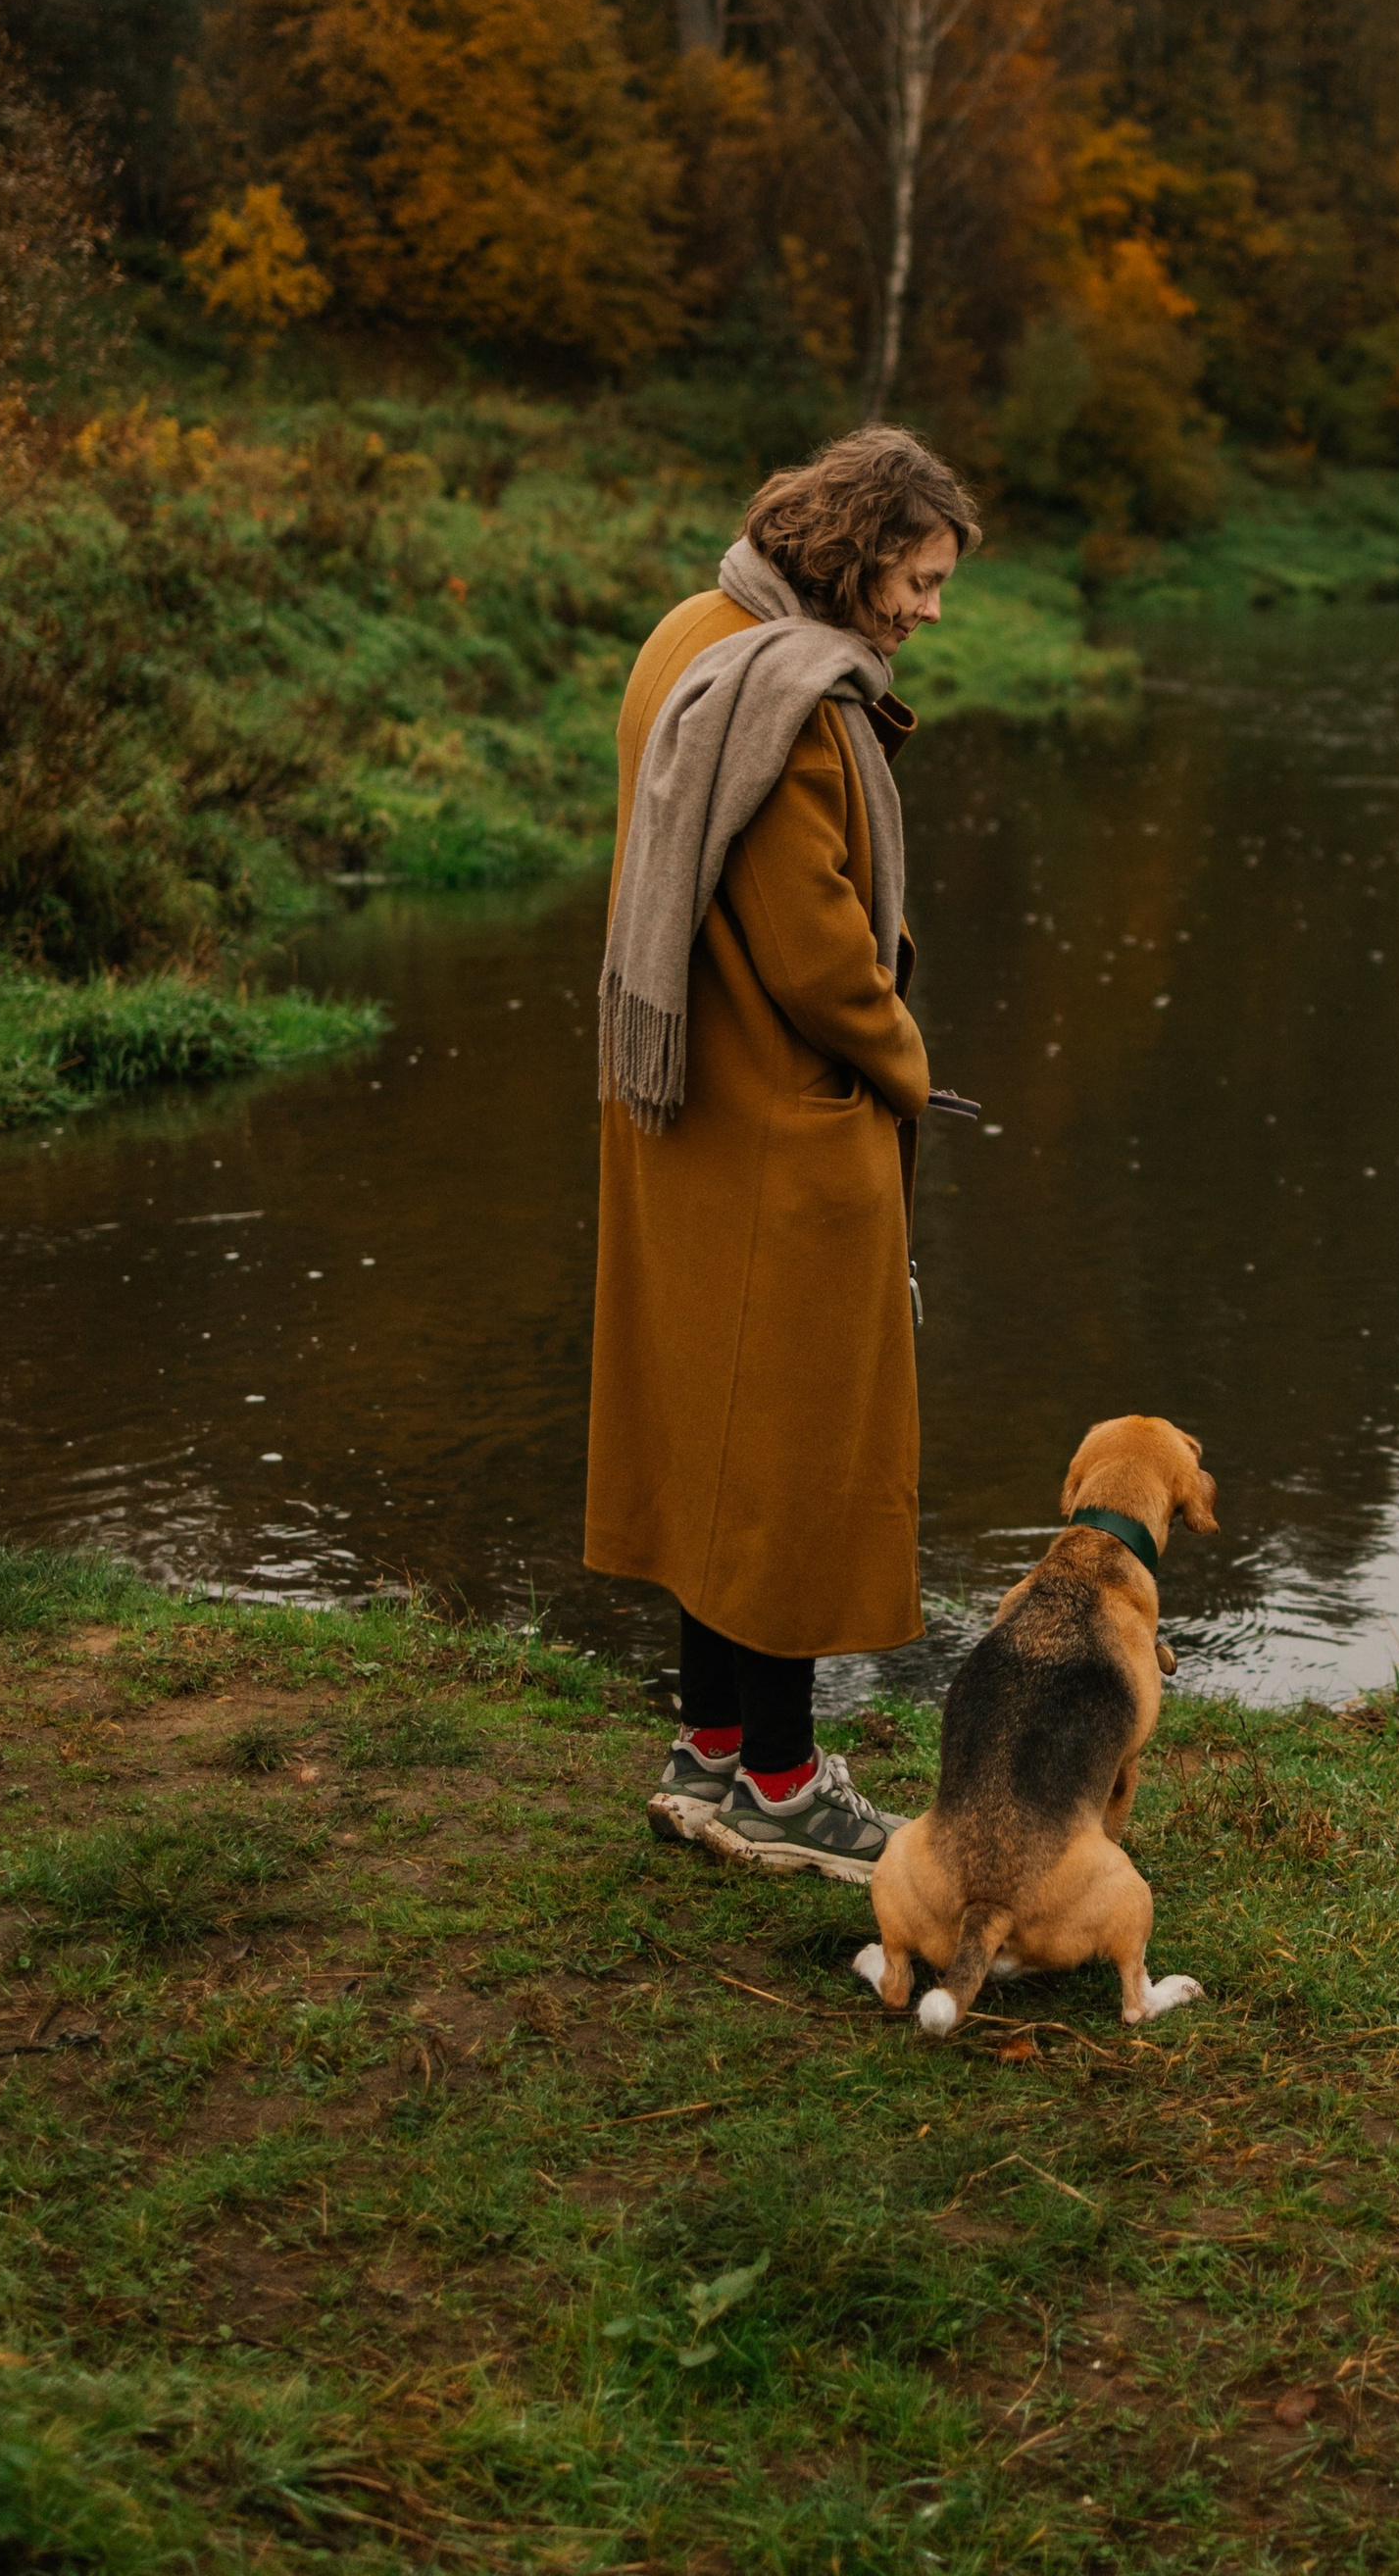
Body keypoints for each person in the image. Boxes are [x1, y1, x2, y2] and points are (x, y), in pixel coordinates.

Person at [584, 424, 977, 1885]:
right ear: (859, 548)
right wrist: (907, 1062)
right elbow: (819, 957)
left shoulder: (691, 632)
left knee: (713, 1442)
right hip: (780, 1131)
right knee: (797, 1460)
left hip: (678, 1107)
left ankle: (706, 1750)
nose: (930, 610)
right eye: (920, 579)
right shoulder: (798, 698)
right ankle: (782, 1784)